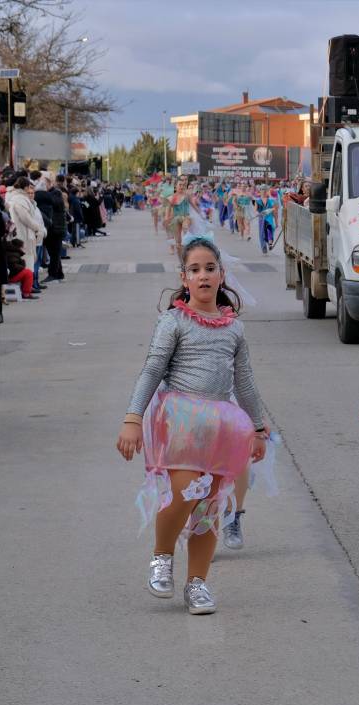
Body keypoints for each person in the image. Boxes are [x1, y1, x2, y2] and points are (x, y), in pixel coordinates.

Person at [115, 236, 270, 614]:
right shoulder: (174, 321)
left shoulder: (234, 328)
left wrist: (259, 427)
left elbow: (244, 381)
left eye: (210, 268)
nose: (203, 275)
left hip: (222, 425)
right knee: (184, 492)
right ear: (184, 278)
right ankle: (162, 558)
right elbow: (152, 369)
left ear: (221, 275)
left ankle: (197, 583)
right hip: (180, 420)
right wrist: (132, 418)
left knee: (211, 503)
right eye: (195, 270)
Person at [8, 177, 46, 293]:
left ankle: (27, 287)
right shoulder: (19, 200)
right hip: (23, 234)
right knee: (25, 259)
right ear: (25, 187)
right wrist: (37, 228)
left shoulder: (16, 198)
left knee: (26, 259)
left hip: (22, 233)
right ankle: (26, 289)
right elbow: (26, 218)